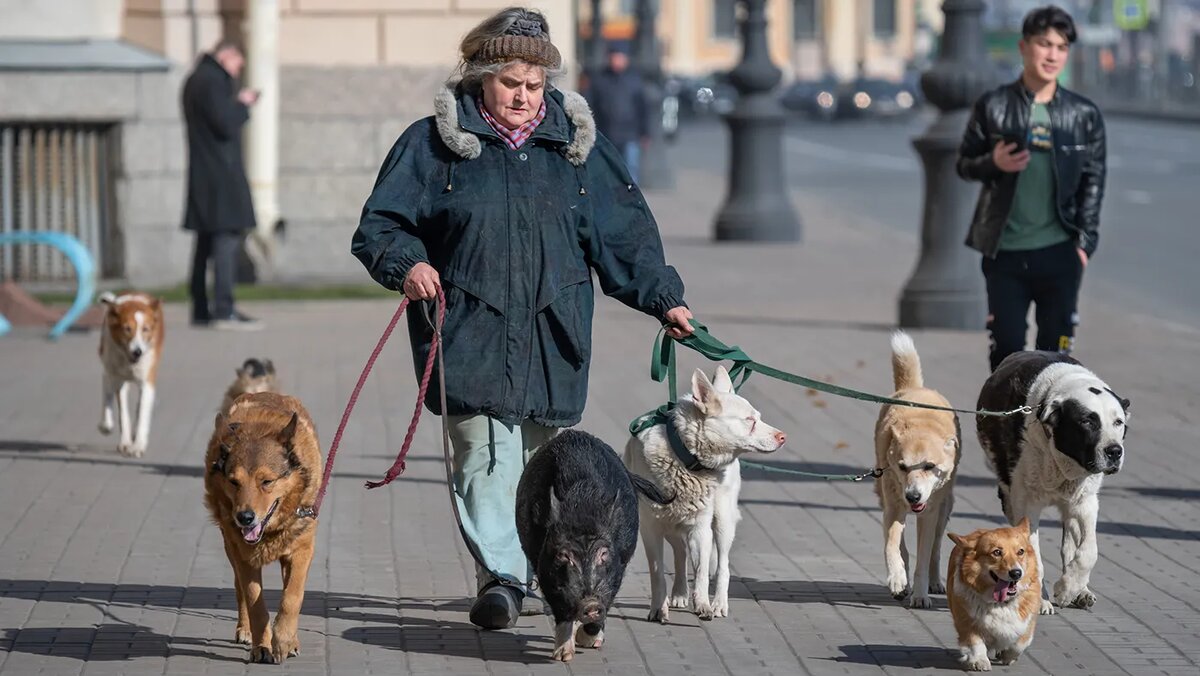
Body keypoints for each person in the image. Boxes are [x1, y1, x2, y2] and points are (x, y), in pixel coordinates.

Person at [350, 8, 693, 630]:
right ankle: (504, 581)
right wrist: (408, 264)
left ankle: (531, 572)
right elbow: (380, 226)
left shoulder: (578, 151)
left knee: (539, 474)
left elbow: (625, 239)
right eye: (512, 84)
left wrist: (663, 297)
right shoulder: (431, 145)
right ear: (482, 77)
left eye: (535, 86)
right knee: (483, 459)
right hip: (467, 333)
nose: (524, 97)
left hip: (552, 335)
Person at [957, 5, 1106, 371]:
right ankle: (1005, 428)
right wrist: (994, 162)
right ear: (1024, 47)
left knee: (1056, 360)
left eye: (1060, 46)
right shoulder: (993, 106)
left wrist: (1084, 245)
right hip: (1005, 251)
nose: (1052, 54)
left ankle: (1045, 429)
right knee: (1006, 353)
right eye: (1044, 44)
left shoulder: (1083, 114)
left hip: (1059, 253)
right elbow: (964, 164)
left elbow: (1093, 182)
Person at [181, 39, 262, 330]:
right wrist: (243, 104)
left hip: (204, 175)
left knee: (204, 244)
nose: (238, 70)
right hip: (220, 178)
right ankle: (223, 309)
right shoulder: (212, 81)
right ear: (227, 55)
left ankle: (201, 309)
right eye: (238, 64)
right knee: (225, 241)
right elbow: (225, 124)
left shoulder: (194, 79)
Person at [585, 43, 649, 183]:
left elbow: (642, 108)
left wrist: (644, 133)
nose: (617, 61)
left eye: (620, 57)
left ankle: (631, 200)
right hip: (607, 133)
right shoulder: (600, 79)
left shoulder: (634, 80)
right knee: (609, 169)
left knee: (631, 168)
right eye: (614, 57)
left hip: (630, 134)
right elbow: (591, 105)